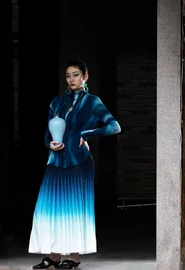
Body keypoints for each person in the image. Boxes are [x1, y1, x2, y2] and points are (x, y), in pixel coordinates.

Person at [29, 60, 121, 269]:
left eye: (76, 74)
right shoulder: (56, 102)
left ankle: (74, 257)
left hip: (79, 161)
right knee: (51, 207)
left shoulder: (93, 102)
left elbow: (114, 126)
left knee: (74, 208)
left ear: (85, 77)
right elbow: (48, 132)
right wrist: (49, 144)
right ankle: (53, 256)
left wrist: (87, 133)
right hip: (55, 160)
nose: (71, 79)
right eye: (68, 75)